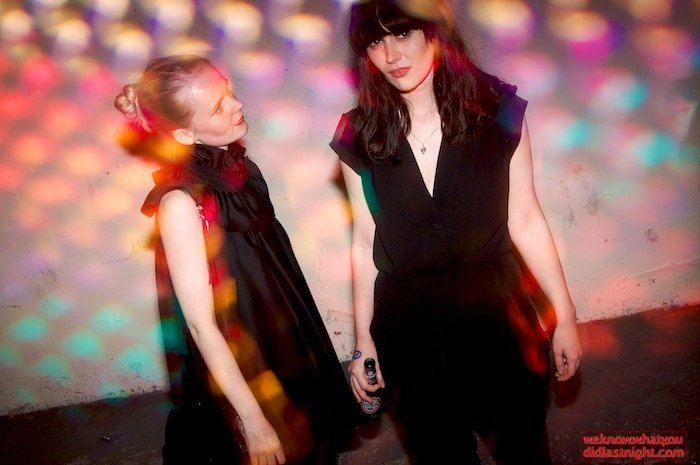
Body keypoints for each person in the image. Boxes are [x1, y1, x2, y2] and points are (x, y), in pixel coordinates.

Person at [330, 1, 583, 464]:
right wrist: (363, 339)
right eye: (376, 41)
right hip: (407, 330)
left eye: (402, 34)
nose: (391, 55)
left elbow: (526, 218)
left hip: (498, 318)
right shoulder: (358, 132)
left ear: (434, 32)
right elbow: (365, 241)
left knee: (524, 450)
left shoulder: (498, 110)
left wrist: (564, 316)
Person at [115, 55, 360, 465]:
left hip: (285, 342)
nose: (237, 104)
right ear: (185, 133)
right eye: (218, 107)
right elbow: (200, 325)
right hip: (241, 366)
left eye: (228, 91)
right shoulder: (181, 203)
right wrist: (252, 418)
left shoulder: (244, 171)